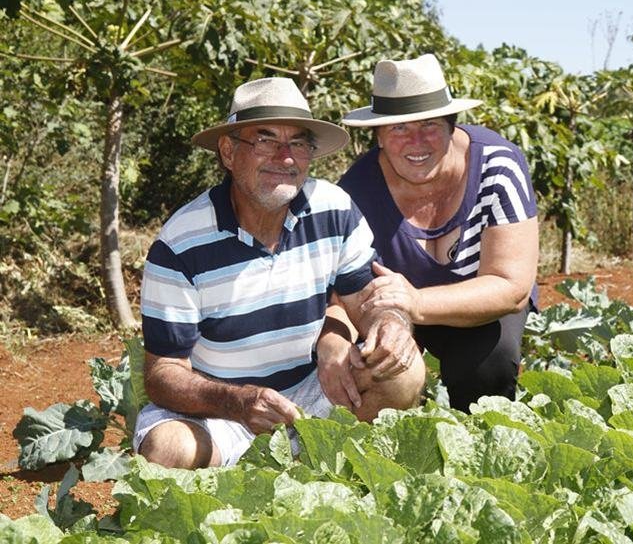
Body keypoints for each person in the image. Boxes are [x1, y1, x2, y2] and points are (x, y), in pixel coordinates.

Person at [135, 77, 425, 469]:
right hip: (217, 409)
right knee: (169, 449)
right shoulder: (180, 244)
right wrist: (238, 402)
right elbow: (162, 373)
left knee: (403, 373)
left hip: (312, 391)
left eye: (299, 143)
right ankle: (278, 470)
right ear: (227, 151)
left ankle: (328, 466)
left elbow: (367, 303)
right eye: (266, 140)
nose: (285, 157)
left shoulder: (333, 209)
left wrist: (389, 323)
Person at [335, 54, 539, 413]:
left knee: (486, 365)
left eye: (429, 124)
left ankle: (480, 449)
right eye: (399, 128)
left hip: (478, 306)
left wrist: (415, 302)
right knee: (370, 370)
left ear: (451, 124)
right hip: (388, 310)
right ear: (378, 136)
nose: (416, 141)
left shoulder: (497, 166)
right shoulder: (355, 193)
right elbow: (341, 295)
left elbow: (511, 288)